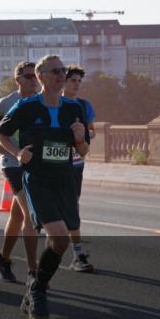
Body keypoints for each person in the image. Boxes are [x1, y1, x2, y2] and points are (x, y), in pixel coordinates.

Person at [0, 55, 89, 319]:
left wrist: (81, 138)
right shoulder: (26, 107)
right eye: (55, 71)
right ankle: (37, 290)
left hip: (64, 179)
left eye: (63, 70)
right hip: (37, 179)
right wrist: (17, 152)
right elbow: (1, 133)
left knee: (59, 241)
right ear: (41, 76)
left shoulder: (74, 109)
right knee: (59, 237)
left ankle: (35, 288)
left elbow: (83, 151)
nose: (61, 75)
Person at [0, 61, 40, 283]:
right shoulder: (8, 102)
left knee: (17, 216)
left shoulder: (41, 101)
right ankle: (34, 272)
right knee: (31, 215)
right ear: (18, 80)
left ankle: (2, 259)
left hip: (34, 163)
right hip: (12, 163)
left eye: (35, 76)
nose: (33, 79)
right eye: (28, 76)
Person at [63, 65, 97, 272]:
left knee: (72, 207)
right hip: (54, 165)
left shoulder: (84, 106)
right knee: (58, 210)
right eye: (72, 80)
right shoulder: (53, 103)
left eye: (78, 81)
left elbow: (91, 132)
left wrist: (83, 135)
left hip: (76, 163)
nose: (76, 84)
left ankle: (77, 253)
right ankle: (73, 251)